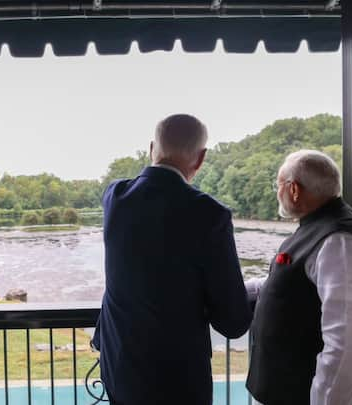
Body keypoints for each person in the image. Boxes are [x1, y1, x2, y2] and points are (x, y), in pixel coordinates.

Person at [91, 114, 252, 405]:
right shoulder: (209, 215)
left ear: (152, 149)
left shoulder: (114, 197)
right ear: (200, 159)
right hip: (177, 380)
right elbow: (232, 321)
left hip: (120, 369)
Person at [246, 150, 352, 405]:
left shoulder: (341, 241)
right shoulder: (320, 229)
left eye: (279, 185)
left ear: (294, 189)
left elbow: (345, 347)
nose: (278, 191)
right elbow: (297, 286)